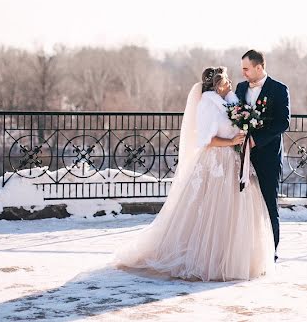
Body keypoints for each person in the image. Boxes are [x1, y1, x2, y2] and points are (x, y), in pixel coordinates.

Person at [115, 66, 274, 281]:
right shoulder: (208, 104)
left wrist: (244, 131)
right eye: (226, 80)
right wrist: (231, 141)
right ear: (218, 85)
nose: (230, 83)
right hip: (216, 162)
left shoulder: (232, 101)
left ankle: (234, 259)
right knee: (211, 211)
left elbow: (236, 124)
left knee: (235, 210)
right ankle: (210, 260)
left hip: (234, 161)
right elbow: (206, 141)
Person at [235, 49, 290, 261]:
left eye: (246, 69)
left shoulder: (278, 89)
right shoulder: (240, 88)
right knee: (242, 204)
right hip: (242, 156)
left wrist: (257, 139)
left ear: (259, 67)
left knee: (268, 204)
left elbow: (283, 122)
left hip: (268, 156)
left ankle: (271, 253)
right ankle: (246, 251)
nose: (243, 73)